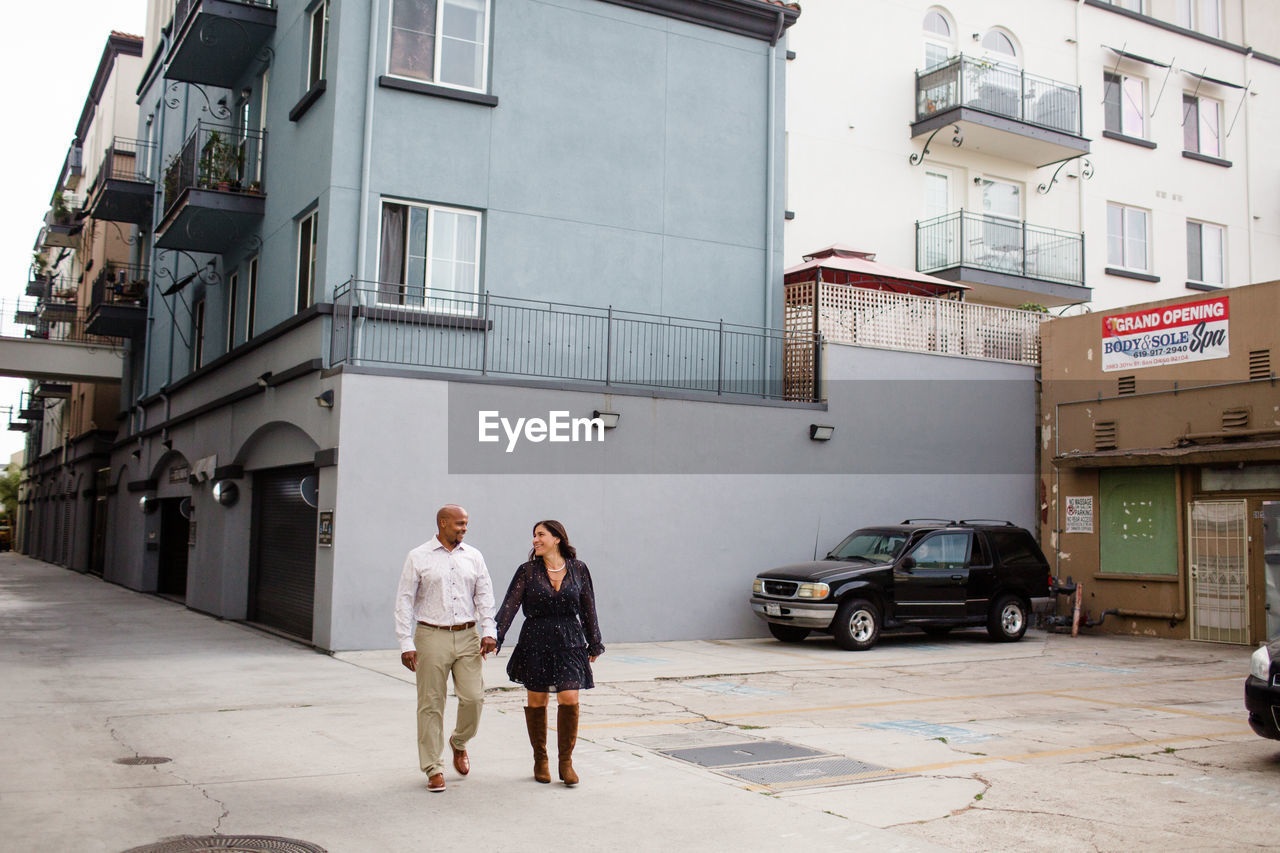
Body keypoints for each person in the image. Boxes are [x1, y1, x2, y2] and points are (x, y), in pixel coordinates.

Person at [393, 504, 497, 793]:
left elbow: (485, 595)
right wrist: (406, 642)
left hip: (468, 635)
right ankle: (433, 767)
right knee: (430, 704)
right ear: (442, 523)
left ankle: (459, 742)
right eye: (459, 524)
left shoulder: (474, 557)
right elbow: (403, 600)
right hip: (430, 635)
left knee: (474, 698)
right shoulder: (418, 557)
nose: (464, 529)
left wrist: (489, 631)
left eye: (466, 524)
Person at [495, 519, 604, 786]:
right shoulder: (527, 571)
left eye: (540, 534)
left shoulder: (579, 569)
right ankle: (540, 759)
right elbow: (509, 605)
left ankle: (565, 762)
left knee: (568, 697)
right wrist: (494, 637)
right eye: (534, 536)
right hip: (535, 640)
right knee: (537, 701)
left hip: (569, 641)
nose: (535, 540)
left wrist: (595, 641)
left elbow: (588, 606)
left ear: (557, 538)